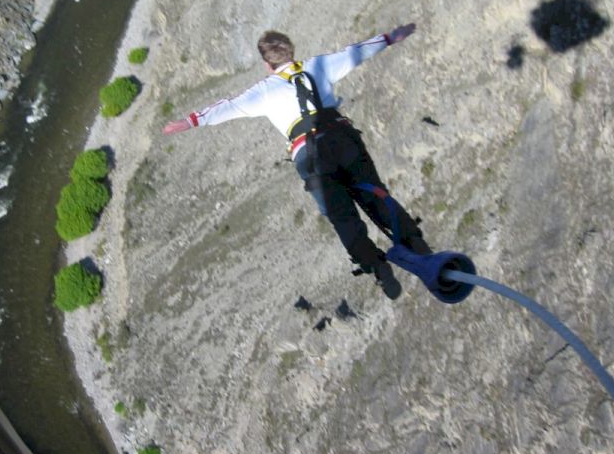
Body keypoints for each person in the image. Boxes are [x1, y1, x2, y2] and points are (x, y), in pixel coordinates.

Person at [162, 24, 431, 300]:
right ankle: (415, 243)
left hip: (310, 156)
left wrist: (190, 121)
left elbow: (228, 107)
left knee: (342, 217)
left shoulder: (265, 91)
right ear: (292, 51)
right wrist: (389, 38)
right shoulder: (318, 66)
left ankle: (377, 267)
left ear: (268, 64)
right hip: (342, 138)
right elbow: (356, 53)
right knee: (375, 193)